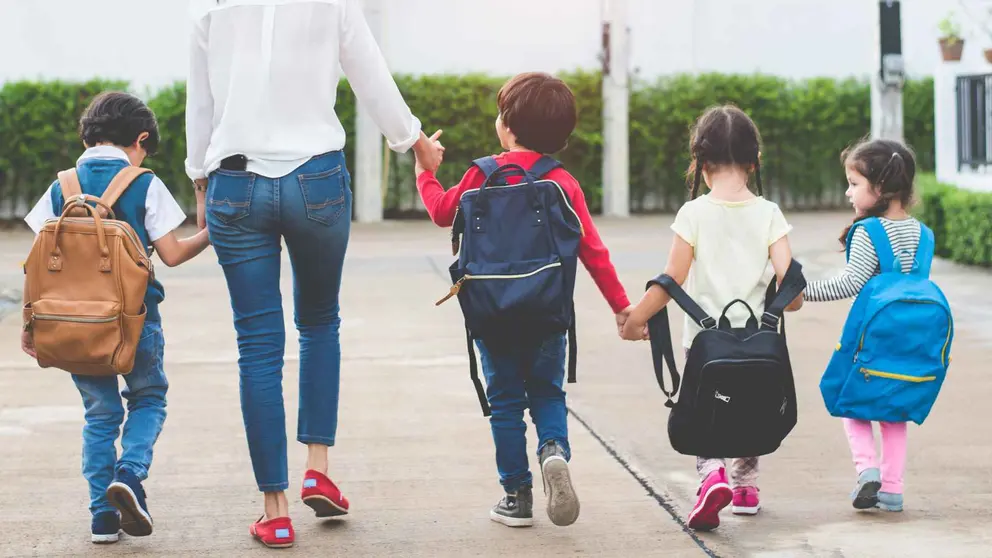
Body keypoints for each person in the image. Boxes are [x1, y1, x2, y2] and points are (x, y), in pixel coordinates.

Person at [183, 0, 444, 549]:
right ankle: (317, 468)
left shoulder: (211, 7)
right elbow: (372, 77)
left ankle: (274, 511)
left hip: (235, 181)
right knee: (320, 322)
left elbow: (200, 101)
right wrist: (416, 144)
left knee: (257, 345)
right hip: (316, 179)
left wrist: (199, 180)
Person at [414, 72, 632, 528]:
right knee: (548, 393)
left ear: (507, 127)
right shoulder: (562, 182)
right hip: (547, 312)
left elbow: (441, 213)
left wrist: (425, 172)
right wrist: (621, 306)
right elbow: (593, 250)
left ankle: (517, 496)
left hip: (491, 313)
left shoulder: (481, 174)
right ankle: (553, 451)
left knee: (507, 403)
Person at [22, 91, 210, 544]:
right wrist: (211, 231)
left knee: (100, 415)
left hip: (70, 326)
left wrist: (30, 325)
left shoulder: (60, 186)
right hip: (133, 320)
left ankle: (102, 519)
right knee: (148, 398)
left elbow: (37, 261)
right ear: (140, 139)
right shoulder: (143, 182)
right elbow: (173, 253)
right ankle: (130, 473)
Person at [621, 105, 800, 531]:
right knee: (751, 404)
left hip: (704, 342)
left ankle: (712, 475)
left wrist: (634, 319)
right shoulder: (770, 213)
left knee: (707, 409)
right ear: (754, 161)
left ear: (701, 163)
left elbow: (672, 280)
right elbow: (790, 287)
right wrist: (780, 303)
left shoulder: (694, 214)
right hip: (758, 341)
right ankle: (745, 489)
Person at [800, 139, 923, 513]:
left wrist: (800, 292)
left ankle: (867, 469)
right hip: (910, 340)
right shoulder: (923, 234)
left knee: (850, 402)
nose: (847, 192)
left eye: (854, 183)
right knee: (894, 412)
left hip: (870, 337)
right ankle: (893, 490)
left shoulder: (870, 232)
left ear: (881, 188)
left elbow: (848, 283)